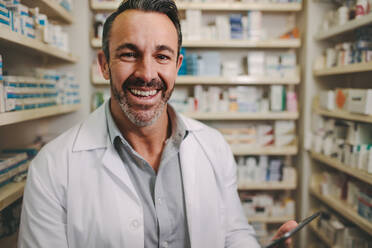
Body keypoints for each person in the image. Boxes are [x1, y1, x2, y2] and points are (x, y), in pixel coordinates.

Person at [18, 0, 298, 247]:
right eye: (129, 54)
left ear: (177, 65)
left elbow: (233, 232)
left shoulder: (213, 146)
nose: (147, 73)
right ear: (104, 64)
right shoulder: (52, 167)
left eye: (162, 56)